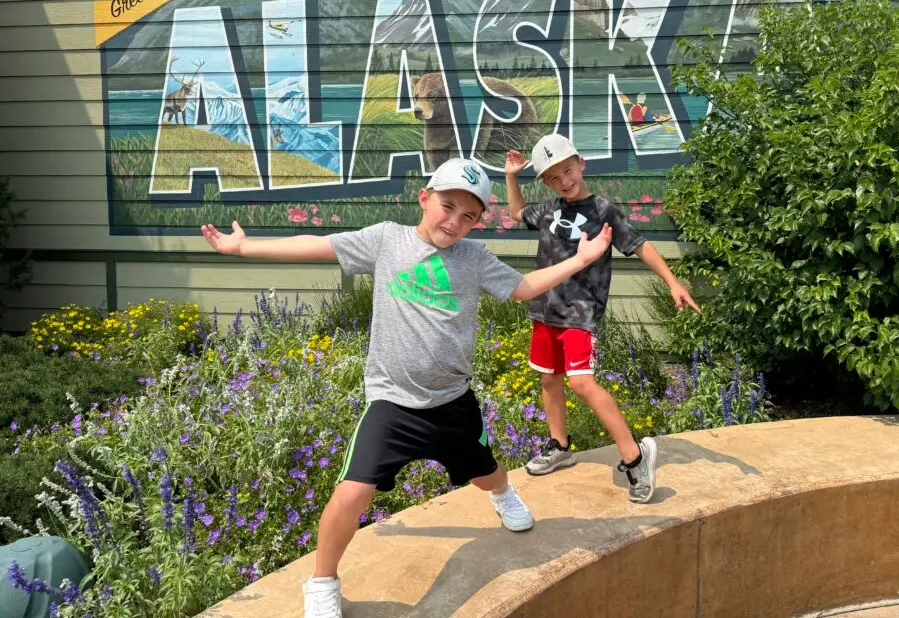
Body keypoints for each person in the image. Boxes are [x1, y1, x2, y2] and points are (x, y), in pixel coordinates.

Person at [200, 157, 613, 618]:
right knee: (354, 491)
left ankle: (503, 496)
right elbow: (318, 244)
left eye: (468, 216)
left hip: (453, 401)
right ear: (424, 197)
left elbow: (524, 287)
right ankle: (321, 582)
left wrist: (581, 258)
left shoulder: (474, 259)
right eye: (447, 206)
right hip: (393, 403)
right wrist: (244, 249)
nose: (454, 221)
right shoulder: (386, 240)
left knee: (486, 473)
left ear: (478, 222)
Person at [504, 136, 700, 503]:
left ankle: (635, 457)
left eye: (567, 170)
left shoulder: (604, 211)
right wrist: (512, 177)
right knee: (550, 379)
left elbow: (640, 244)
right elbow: (516, 213)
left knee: (581, 383)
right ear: (546, 182)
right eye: (553, 177)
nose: (564, 180)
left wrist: (672, 282)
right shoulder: (547, 209)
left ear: (581, 163)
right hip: (544, 310)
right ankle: (560, 446)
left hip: (580, 312)